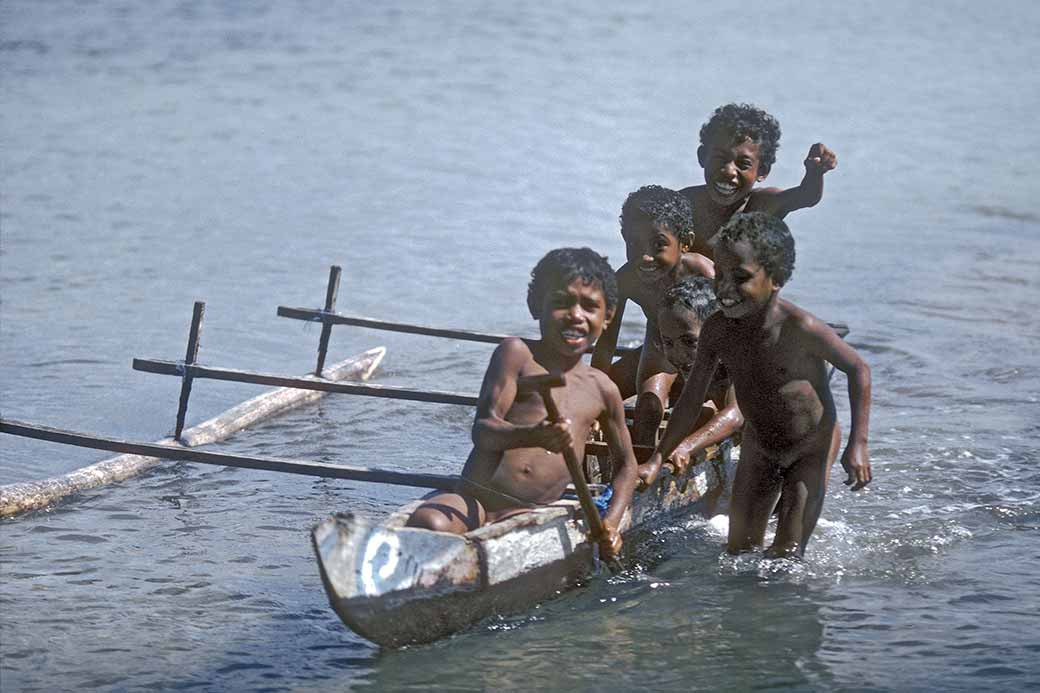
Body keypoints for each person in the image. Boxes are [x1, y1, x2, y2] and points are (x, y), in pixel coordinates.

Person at [640, 212, 871, 558]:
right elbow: (690, 401)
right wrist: (658, 458)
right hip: (760, 448)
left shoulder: (800, 328)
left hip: (808, 448)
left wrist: (858, 444)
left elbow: (858, 369)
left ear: (776, 278)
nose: (725, 289)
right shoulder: (718, 329)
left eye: (741, 278)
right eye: (719, 275)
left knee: (786, 555)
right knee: (739, 551)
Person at [407, 247, 639, 561]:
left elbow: (627, 466)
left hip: (532, 517)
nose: (575, 315)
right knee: (428, 521)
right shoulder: (516, 354)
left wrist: (610, 525)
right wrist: (534, 435)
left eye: (589, 306)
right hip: (474, 502)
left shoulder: (602, 389)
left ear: (607, 316)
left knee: (512, 541)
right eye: (561, 302)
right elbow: (483, 431)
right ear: (535, 305)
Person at [590, 185, 714, 448]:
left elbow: (743, 327)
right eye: (633, 244)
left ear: (686, 243)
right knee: (648, 407)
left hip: (709, 354)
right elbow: (605, 345)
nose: (645, 256)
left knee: (719, 408)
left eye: (658, 245)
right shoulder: (624, 281)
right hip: (660, 346)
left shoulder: (705, 273)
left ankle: (704, 429)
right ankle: (643, 473)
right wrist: (593, 405)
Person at [680, 103, 838, 260]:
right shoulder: (683, 205)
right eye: (720, 159)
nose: (729, 171)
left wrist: (815, 172)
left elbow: (806, 196)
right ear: (702, 157)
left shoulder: (760, 206)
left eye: (743, 164)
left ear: (762, 171)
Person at [635, 276, 743, 486]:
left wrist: (686, 446)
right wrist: (657, 459)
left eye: (689, 341)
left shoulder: (737, 354)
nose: (678, 354)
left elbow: (736, 414)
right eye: (668, 342)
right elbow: (687, 408)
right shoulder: (701, 362)